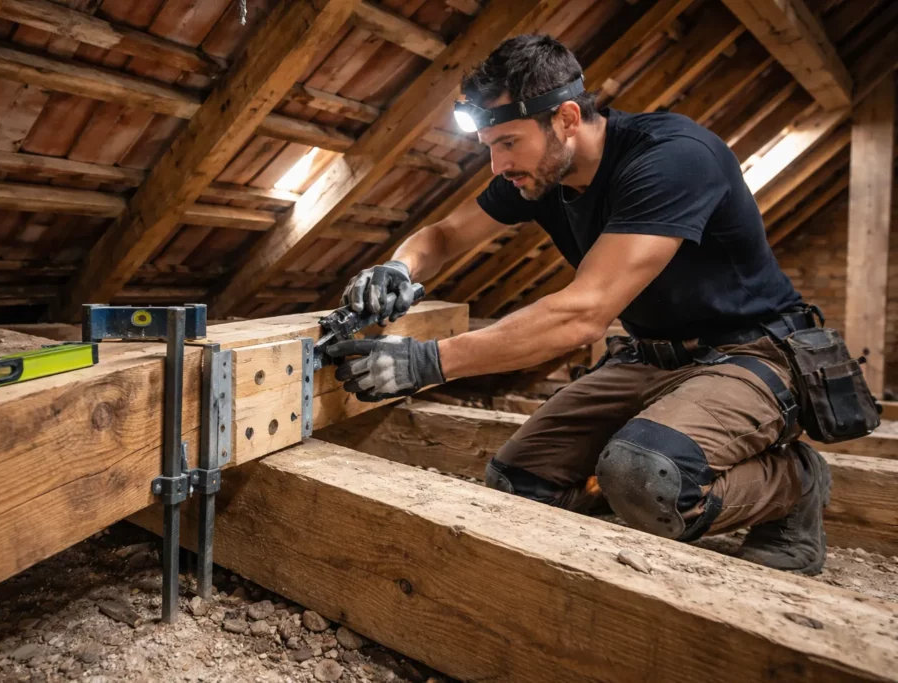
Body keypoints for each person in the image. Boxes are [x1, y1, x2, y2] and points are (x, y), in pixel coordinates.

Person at [325, 34, 838, 576]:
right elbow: (445, 235)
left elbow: (585, 313)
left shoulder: (673, 159)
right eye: (489, 146)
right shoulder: (539, 171)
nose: (497, 164)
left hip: (750, 354)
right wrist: (399, 267)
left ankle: (796, 482)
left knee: (647, 476)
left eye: (508, 143)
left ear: (567, 118)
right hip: (651, 355)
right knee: (521, 481)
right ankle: (638, 483)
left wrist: (427, 362)